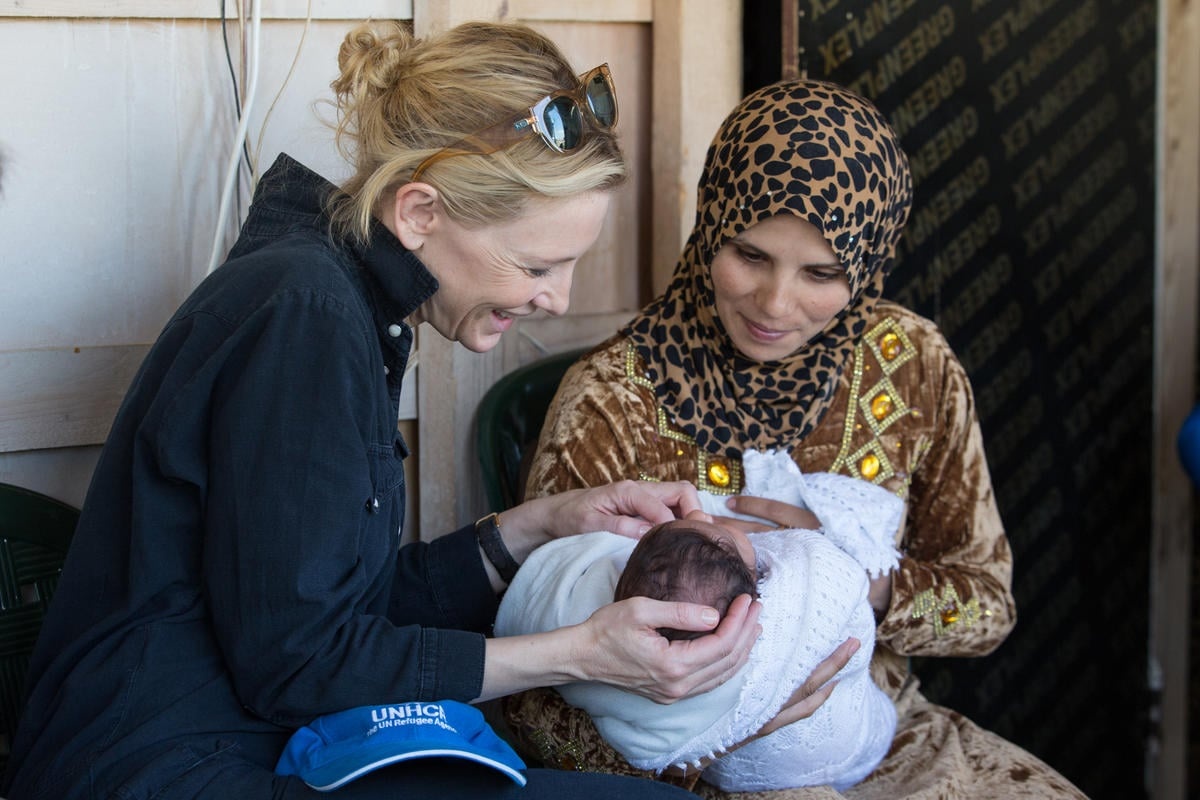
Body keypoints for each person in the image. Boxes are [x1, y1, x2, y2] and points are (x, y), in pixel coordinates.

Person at [0, 22, 849, 800]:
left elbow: (334, 609)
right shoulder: (306, 315)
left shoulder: (340, 302)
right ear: (419, 212)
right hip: (163, 763)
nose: (558, 299)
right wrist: (581, 652)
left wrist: (538, 526)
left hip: (245, 736)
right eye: (536, 264)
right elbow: (298, 666)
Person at [503, 78, 1090, 798]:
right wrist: (726, 730)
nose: (775, 305)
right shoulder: (612, 401)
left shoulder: (911, 364)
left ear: (870, 263)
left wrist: (856, 576)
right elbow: (534, 706)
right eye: (749, 255)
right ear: (710, 223)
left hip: (888, 738)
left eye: (822, 273)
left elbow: (986, 608)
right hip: (689, 770)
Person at [496, 452, 902, 792]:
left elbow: (640, 743)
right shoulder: (607, 402)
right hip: (753, 771)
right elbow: (830, 583)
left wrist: (887, 588)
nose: (709, 518)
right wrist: (740, 725)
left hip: (895, 705)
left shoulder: (583, 590)